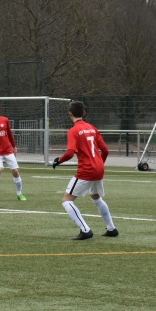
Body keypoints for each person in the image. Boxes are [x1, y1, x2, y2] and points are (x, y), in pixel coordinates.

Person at [52, 101, 118, 240]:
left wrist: (59, 160)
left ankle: (85, 230)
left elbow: (70, 153)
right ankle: (111, 228)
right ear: (84, 113)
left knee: (67, 200)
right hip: (99, 168)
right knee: (96, 197)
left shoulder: (74, 131)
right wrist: (99, 163)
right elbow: (105, 150)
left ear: (70, 114)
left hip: (87, 170)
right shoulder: (92, 128)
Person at [0, 102, 26, 201]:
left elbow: (10, 134)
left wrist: (14, 146)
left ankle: (20, 194)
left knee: (15, 171)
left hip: (8, 151)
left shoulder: (5, 120)